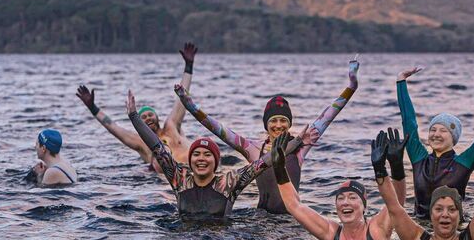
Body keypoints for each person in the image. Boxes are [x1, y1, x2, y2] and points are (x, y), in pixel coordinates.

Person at [173, 56, 359, 213]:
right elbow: (217, 129)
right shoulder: (252, 149)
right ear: (266, 125)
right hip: (262, 219)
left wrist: (352, 86)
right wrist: (189, 105)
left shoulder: (301, 146)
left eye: (283, 120)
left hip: (292, 218)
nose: (278, 125)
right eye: (273, 121)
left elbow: (329, 115)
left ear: (289, 124)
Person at [126, 90, 307, 219]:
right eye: (196, 154)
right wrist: (134, 117)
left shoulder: (228, 183)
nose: (201, 159)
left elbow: (260, 165)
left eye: (207, 154)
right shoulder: (180, 179)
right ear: (190, 160)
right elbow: (157, 147)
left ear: (216, 161)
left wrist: (282, 151)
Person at [394, 66, 474, 219]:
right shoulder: (419, 159)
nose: (436, 134)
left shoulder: (463, 163)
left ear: (453, 138)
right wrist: (401, 81)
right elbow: (409, 121)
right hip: (421, 226)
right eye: (433, 130)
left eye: (443, 130)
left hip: (453, 228)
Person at [376, 128, 474, 240]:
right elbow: (394, 207)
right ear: (431, 213)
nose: (445, 215)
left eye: (452, 210)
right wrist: (380, 169)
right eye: (439, 209)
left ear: (459, 215)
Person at [76, 43, 197, 171]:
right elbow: (113, 127)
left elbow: (181, 100)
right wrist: (93, 108)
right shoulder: (141, 143)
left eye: (150, 115)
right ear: (140, 122)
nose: (148, 118)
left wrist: (188, 67)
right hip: (173, 180)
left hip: (198, 169)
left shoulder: (171, 126)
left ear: (157, 118)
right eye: (143, 117)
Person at [271, 133, 394, 240]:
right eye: (340, 198)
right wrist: (279, 168)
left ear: (364, 206)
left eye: (352, 197)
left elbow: (395, 204)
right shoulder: (331, 232)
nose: (345, 202)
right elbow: (294, 206)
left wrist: (383, 169)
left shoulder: (376, 229)